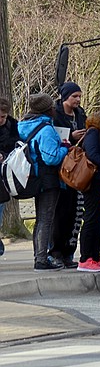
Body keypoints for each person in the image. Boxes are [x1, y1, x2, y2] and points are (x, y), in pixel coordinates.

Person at [19, 93, 69, 271]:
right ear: (48, 109)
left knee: (41, 219)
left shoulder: (22, 125)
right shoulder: (46, 129)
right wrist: (65, 148)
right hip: (47, 179)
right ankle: (41, 259)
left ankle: (39, 256)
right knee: (45, 219)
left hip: (31, 177)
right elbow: (51, 158)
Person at [51, 81, 86, 268]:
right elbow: (54, 138)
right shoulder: (56, 114)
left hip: (78, 168)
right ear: (65, 97)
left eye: (79, 96)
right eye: (74, 97)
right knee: (61, 213)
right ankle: (55, 251)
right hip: (62, 168)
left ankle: (68, 252)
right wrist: (71, 136)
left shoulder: (80, 113)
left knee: (75, 213)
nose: (78, 100)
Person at [78, 98, 100, 272]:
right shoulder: (94, 132)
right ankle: (85, 258)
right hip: (93, 181)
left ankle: (95, 256)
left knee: (99, 218)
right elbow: (91, 154)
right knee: (91, 218)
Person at [0, 97, 18, 257]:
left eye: (3, 117)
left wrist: (4, 155)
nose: (1, 120)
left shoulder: (12, 127)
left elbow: (17, 149)